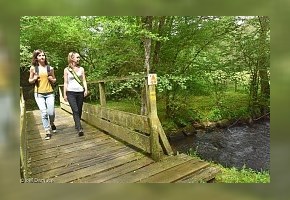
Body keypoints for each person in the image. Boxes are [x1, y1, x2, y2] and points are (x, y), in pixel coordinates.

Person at [28, 49, 57, 140]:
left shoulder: (50, 68)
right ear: (36, 58)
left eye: (43, 55)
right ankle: (47, 131)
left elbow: (54, 79)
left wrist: (52, 79)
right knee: (44, 113)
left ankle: (51, 123)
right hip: (38, 94)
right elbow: (30, 80)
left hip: (49, 93)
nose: (42, 57)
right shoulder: (33, 68)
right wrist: (34, 78)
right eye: (39, 55)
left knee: (51, 112)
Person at [63, 52, 88, 136]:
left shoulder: (81, 69)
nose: (79, 59)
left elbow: (84, 80)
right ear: (72, 58)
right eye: (77, 57)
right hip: (70, 92)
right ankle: (79, 128)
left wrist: (86, 90)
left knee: (79, 109)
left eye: (79, 57)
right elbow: (65, 82)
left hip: (80, 92)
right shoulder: (67, 70)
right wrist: (64, 94)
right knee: (75, 110)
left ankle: (77, 123)